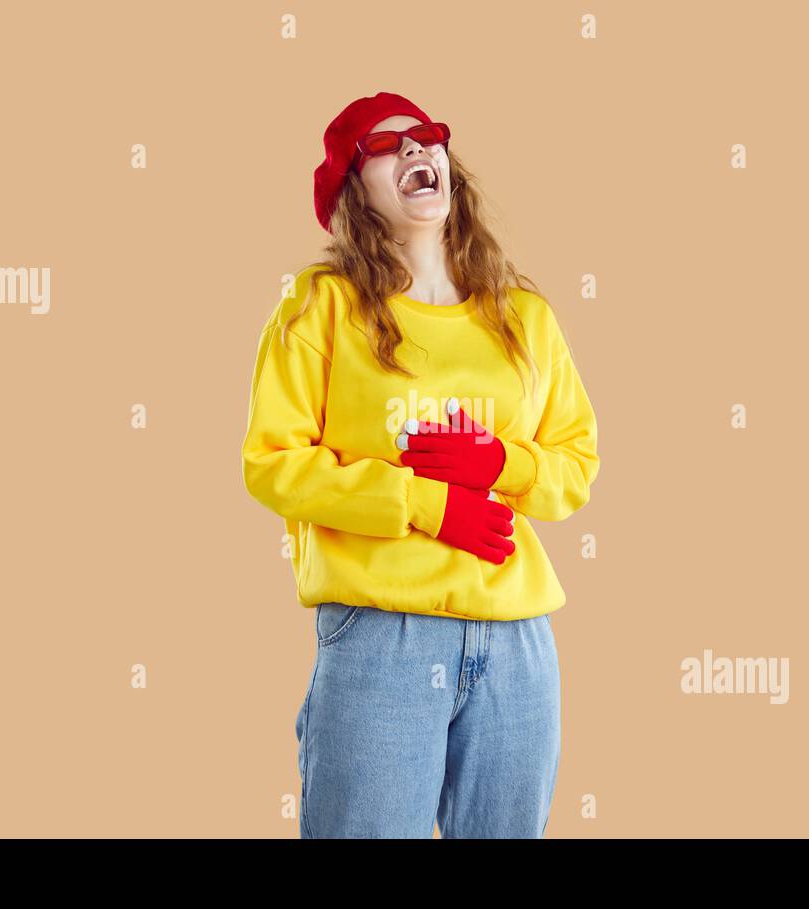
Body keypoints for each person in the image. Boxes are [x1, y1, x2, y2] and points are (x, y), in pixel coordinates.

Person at [241, 91, 600, 838]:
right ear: (352, 188)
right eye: (385, 145)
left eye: (427, 137)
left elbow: (577, 462)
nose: (415, 150)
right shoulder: (321, 309)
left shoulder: (523, 317)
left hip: (515, 636)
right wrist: (424, 503)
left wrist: (499, 461)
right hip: (381, 636)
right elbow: (274, 464)